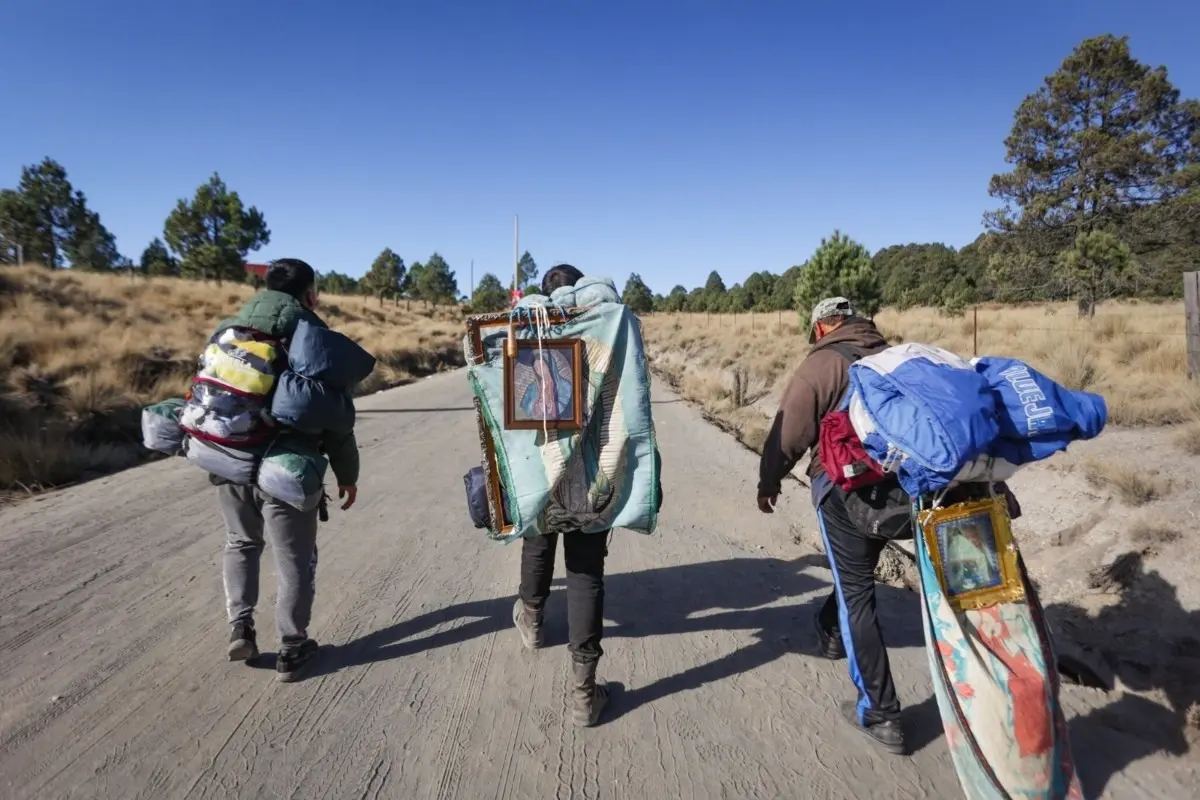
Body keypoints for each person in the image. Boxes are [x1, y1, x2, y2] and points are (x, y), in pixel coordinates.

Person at [756, 296, 907, 754]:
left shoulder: (821, 364)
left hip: (842, 491)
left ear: (822, 327)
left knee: (855, 591)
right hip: (898, 490)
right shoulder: (893, 355)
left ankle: (882, 713)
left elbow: (790, 432)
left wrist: (769, 481)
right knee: (855, 576)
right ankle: (829, 628)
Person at [214, 258, 360, 683]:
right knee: (294, 557)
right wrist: (347, 474)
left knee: (240, 541)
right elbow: (335, 420)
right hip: (287, 467)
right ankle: (292, 648)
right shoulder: (315, 341)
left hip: (229, 459)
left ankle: (240, 627)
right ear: (310, 294)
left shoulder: (228, 330)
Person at [511, 262, 613, 727]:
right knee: (585, 570)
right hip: (593, 472)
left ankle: (532, 623)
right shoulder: (609, 327)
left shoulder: (528, 333)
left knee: (538, 540)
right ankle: (583, 694)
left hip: (541, 466)